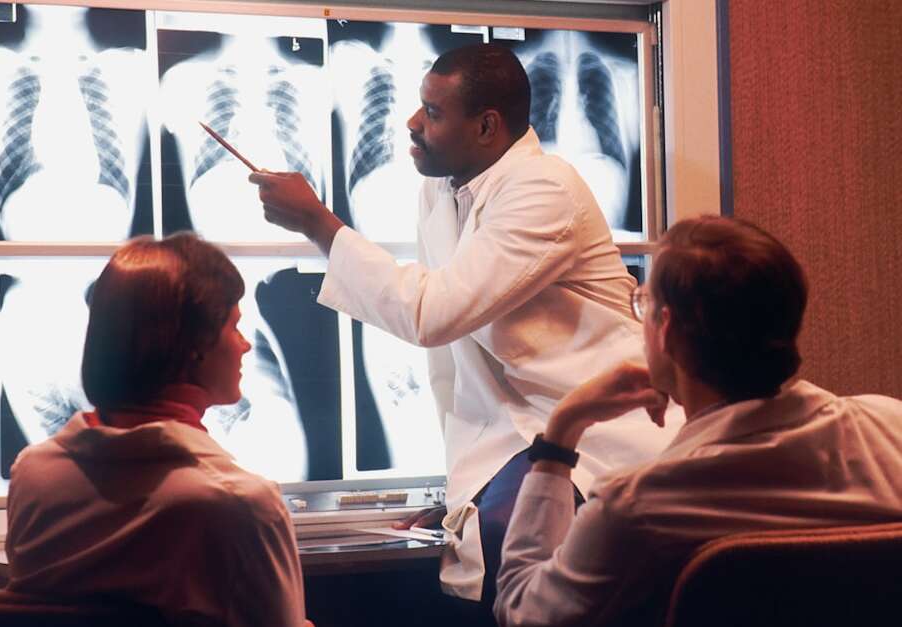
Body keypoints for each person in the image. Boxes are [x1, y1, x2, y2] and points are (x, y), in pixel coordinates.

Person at [249, 42, 682, 613]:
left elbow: (434, 314)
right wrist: (464, 494)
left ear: (486, 127)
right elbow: (455, 362)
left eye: (431, 113)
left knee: (508, 568)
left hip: (599, 444)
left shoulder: (544, 190)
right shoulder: (442, 188)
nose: (411, 124)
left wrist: (320, 225)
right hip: (518, 442)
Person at [494, 216, 902, 627]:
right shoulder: (891, 428)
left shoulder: (636, 508)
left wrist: (560, 435)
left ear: (665, 330)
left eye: (645, 305)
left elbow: (522, 613)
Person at [5, 233, 309, 627]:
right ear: (195, 348)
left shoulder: (33, 476)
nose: (246, 345)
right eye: (234, 327)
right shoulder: (240, 504)